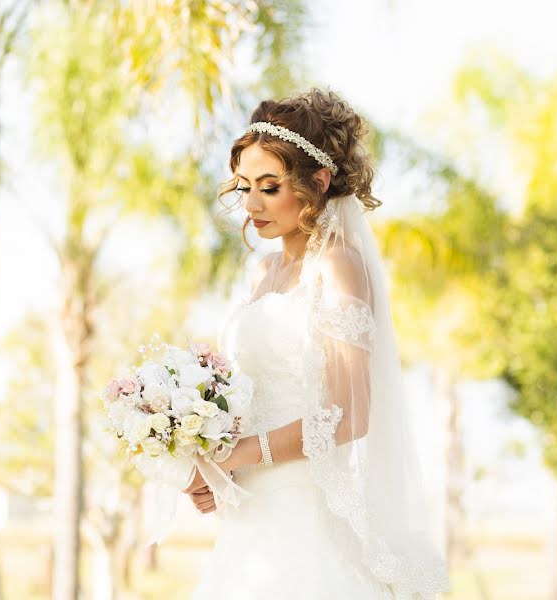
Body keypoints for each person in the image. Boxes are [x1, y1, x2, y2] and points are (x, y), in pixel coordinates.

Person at [184, 88, 450, 599]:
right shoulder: (262, 272)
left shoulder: (338, 265)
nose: (252, 203)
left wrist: (237, 455)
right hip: (249, 519)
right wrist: (209, 461)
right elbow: (254, 396)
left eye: (269, 186)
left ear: (318, 182)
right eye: (244, 186)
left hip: (303, 512)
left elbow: (350, 415)